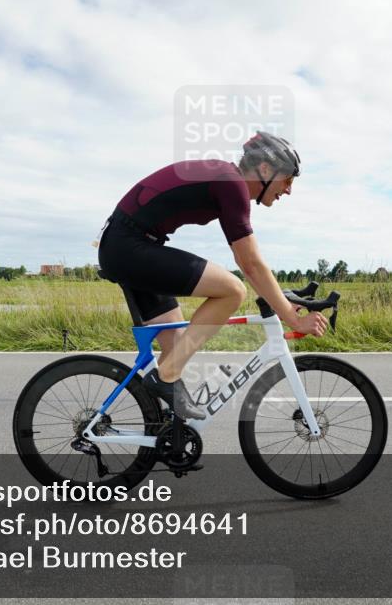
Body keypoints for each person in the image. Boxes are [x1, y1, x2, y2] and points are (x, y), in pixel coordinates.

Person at [97, 131, 328, 420]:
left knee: (177, 350)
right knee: (233, 290)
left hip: (129, 246)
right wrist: (292, 318)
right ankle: (162, 378)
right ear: (266, 169)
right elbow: (250, 264)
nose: (289, 190)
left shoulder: (226, 180)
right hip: (128, 247)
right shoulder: (231, 183)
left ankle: (169, 439)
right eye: (288, 180)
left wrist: (281, 298)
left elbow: (251, 261)